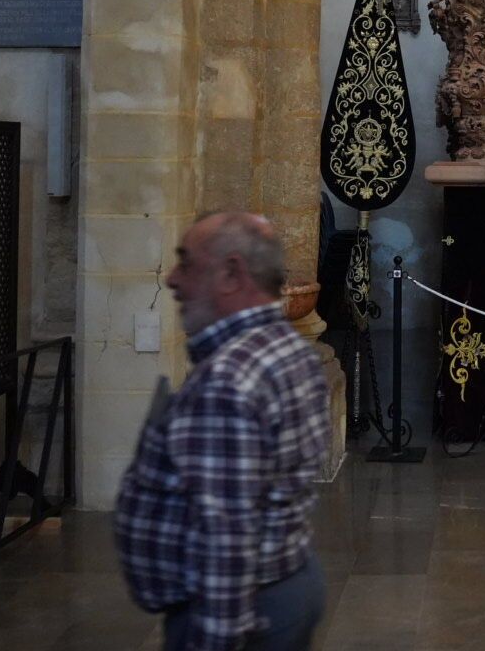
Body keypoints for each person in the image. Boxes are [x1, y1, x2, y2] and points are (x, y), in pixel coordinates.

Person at [115, 212, 333, 651]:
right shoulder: (289, 348)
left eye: (187, 263)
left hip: (242, 607)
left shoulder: (227, 382)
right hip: (289, 578)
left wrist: (215, 638)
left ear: (232, 272)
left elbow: (225, 536)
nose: (173, 279)